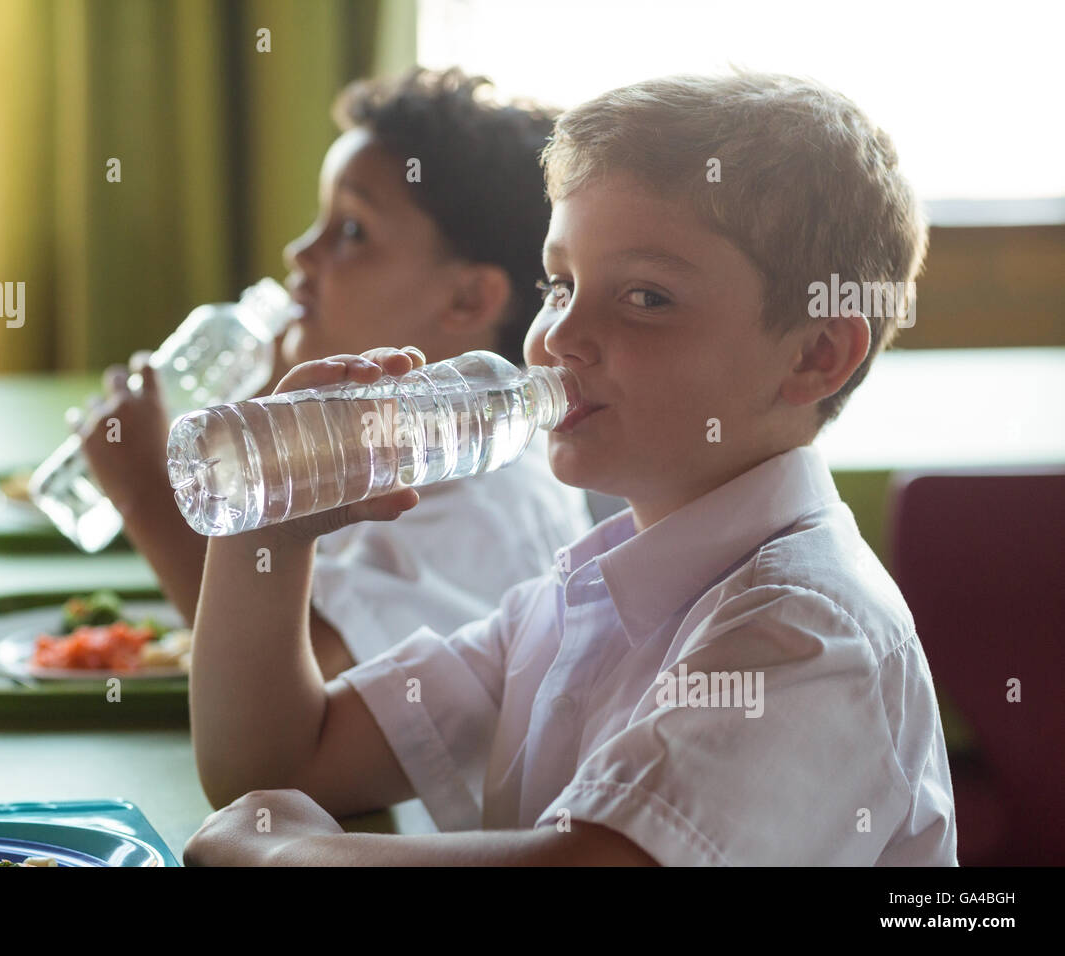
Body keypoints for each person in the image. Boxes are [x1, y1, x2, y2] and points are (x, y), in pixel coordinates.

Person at [183, 72, 958, 866]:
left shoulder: (808, 632)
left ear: (815, 355)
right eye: (561, 285)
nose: (561, 335)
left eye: (646, 298)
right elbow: (279, 756)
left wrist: (290, 857)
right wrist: (268, 524)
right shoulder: (572, 601)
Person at [79, 67, 591, 679]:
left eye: (351, 231)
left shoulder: (487, 501)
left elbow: (306, 687)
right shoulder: (382, 435)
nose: (300, 252)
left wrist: (148, 494)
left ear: (467, 302)